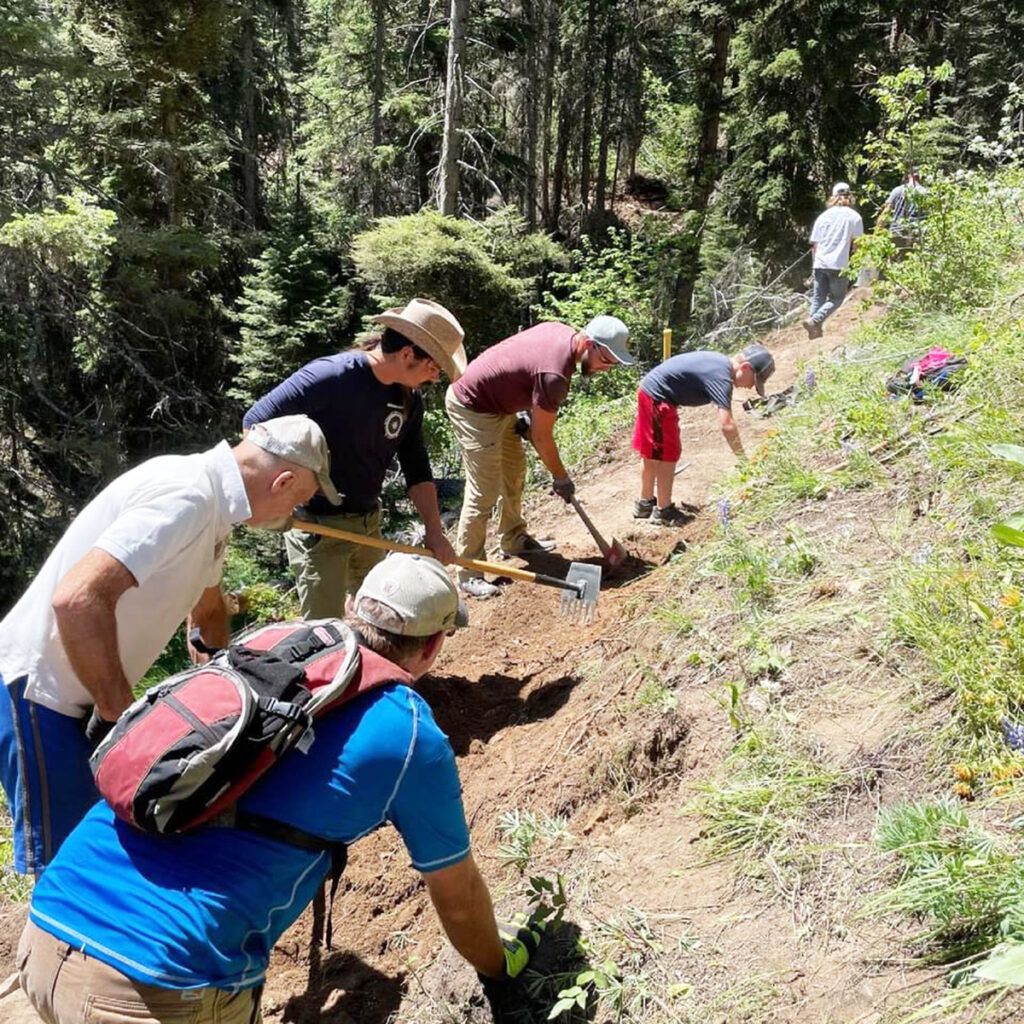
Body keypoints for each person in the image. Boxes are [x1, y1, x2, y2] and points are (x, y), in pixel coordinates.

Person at [11, 554, 539, 1024]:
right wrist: (500, 968)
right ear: (433, 646)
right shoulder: (408, 734)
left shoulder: (270, 646)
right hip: (161, 984)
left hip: (48, 925)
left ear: (352, 606)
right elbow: (461, 900)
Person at [0, 415, 336, 875]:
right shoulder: (187, 498)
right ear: (283, 480)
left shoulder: (213, 508)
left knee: (98, 847)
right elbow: (77, 600)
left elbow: (209, 608)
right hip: (40, 693)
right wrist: (122, 717)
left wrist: (228, 683)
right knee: (63, 870)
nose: (294, 515)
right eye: (301, 500)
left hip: (79, 697)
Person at [243, 298, 467, 618]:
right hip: (318, 529)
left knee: (379, 616)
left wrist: (434, 530)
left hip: (367, 523)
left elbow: (417, 468)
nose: (434, 378)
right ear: (407, 355)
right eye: (433, 367)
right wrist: (282, 495)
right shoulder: (331, 377)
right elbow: (254, 424)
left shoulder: (409, 399)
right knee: (323, 630)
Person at [445, 315, 634, 599]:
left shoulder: (563, 333)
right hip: (473, 406)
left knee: (515, 469)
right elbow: (541, 436)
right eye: (606, 360)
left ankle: (514, 539)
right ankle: (469, 571)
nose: (606, 369)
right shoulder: (555, 375)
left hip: (501, 405)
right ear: (588, 343)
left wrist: (522, 407)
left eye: (613, 364)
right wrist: (561, 477)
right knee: (484, 490)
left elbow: (520, 362)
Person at [632, 345, 776, 525]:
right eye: (754, 381)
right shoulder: (722, 377)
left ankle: (645, 503)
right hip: (658, 398)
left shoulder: (719, 364)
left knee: (653, 452)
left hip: (651, 391)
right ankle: (664, 511)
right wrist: (744, 461)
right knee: (667, 454)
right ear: (745, 367)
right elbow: (727, 425)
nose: (750, 386)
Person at [803, 182, 864, 339]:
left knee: (818, 297)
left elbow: (815, 245)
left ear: (833, 197)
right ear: (850, 197)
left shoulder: (823, 217)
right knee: (837, 298)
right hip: (838, 263)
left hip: (820, 262)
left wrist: (815, 264)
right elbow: (857, 244)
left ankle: (814, 330)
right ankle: (815, 321)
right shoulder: (854, 217)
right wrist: (854, 261)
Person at [881, 168, 927, 247]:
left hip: (897, 231)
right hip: (917, 233)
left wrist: (878, 230)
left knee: (895, 258)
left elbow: (886, 211)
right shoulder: (925, 192)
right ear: (920, 177)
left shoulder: (897, 190)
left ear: (908, 176)